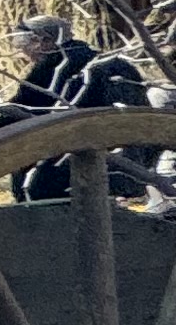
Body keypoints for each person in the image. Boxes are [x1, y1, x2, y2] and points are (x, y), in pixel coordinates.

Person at [10, 10, 158, 201]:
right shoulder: (108, 61)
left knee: (33, 181)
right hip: (134, 158)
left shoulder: (58, 66)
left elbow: (24, 112)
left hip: (93, 157)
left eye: (24, 44)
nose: (22, 52)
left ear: (44, 41)